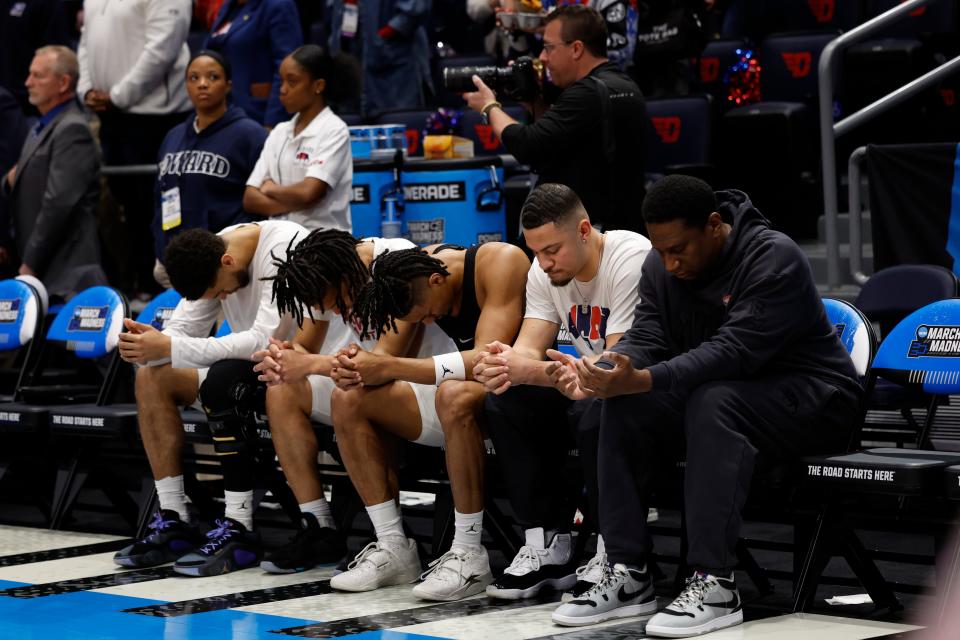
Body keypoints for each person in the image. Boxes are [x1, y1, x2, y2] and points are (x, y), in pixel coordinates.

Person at [547, 175, 862, 635]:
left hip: (816, 400)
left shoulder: (772, 258)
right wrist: (615, 365)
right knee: (612, 406)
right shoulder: (660, 266)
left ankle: (714, 583)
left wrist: (648, 378)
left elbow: (733, 351)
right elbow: (651, 333)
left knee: (714, 401)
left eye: (680, 249)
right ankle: (628, 571)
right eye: (661, 250)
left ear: (715, 225)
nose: (670, 263)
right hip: (728, 395)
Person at [473, 183, 650, 601]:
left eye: (552, 250)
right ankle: (547, 544)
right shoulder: (543, 271)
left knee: (593, 408)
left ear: (584, 230)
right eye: (536, 251)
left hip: (640, 388)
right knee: (504, 399)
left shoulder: (629, 257)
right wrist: (504, 369)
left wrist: (545, 371)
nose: (544, 263)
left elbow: (615, 362)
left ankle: (614, 551)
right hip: (586, 380)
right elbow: (525, 355)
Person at [322, 242, 528, 600]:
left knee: (454, 393)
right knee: (348, 397)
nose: (429, 322)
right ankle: (393, 546)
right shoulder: (408, 275)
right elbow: (384, 357)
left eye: (427, 314)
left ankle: (469, 554)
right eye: (420, 320)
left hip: (518, 388)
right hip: (464, 395)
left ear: (436, 280)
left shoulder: (501, 262)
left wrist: (386, 367)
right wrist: (355, 369)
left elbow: (485, 361)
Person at [112, 220, 316, 577]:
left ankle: (239, 525)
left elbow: (264, 340)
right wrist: (148, 347)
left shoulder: (286, 248)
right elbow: (183, 330)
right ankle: (175, 518)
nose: (224, 299)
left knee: (222, 380)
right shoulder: (212, 253)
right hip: (247, 376)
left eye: (220, 293)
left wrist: (170, 346)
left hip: (296, 373)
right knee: (152, 378)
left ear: (227, 263)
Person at [249, 229, 455, 574]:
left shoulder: (395, 263)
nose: (341, 311)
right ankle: (318, 527)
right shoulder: (327, 272)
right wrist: (283, 359)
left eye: (340, 300)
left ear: (349, 272)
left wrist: (312, 363)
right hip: (370, 386)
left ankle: (392, 540)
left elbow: (385, 363)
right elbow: (305, 346)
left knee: (354, 394)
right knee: (283, 388)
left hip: (426, 386)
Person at [464, 4, 648, 233]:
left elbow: (527, 145)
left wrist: (488, 106)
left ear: (576, 49)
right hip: (619, 226)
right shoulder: (622, 84)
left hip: (591, 234)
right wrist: (536, 103)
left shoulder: (586, 93)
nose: (543, 58)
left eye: (548, 48)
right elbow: (559, 146)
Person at [78, 0, 192, 295]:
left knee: (154, 206)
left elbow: (162, 47)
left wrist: (118, 95)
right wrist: (87, 89)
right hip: (111, 116)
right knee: (121, 204)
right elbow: (86, 41)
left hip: (155, 116)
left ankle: (162, 289)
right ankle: (131, 284)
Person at [153, 50, 268, 288]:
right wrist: (160, 245)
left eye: (212, 77)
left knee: (227, 327)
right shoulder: (173, 136)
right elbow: (160, 198)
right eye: (193, 78)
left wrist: (237, 250)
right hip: (175, 261)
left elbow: (262, 203)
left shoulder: (250, 134)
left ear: (228, 85)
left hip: (224, 263)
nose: (202, 84)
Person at [1, 46, 105, 300]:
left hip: (66, 274)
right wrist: (7, 182)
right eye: (29, 75)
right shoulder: (40, 126)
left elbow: (58, 206)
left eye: (38, 76)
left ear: (63, 82)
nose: (28, 83)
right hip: (43, 270)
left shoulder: (72, 130)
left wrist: (30, 263)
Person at [243, 44, 352, 232]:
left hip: (324, 242)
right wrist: (298, 200)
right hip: (278, 240)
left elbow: (309, 192)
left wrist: (271, 190)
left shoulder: (335, 129)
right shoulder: (279, 131)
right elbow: (250, 199)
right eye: (282, 81)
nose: (283, 90)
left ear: (318, 86)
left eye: (292, 82)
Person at [324, 0, 433, 117]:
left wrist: (387, 33)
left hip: (394, 62)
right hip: (351, 51)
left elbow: (415, 9)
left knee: (398, 120)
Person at [204, 0, 303, 127]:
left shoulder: (278, 5)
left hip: (260, 113)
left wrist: (273, 121)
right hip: (226, 111)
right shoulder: (229, 6)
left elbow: (288, 66)